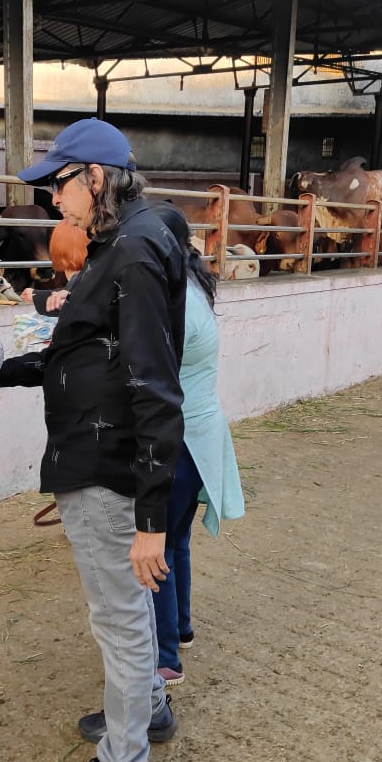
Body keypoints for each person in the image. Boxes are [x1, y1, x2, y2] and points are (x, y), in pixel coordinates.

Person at [0, 118, 186, 762]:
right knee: (125, 618)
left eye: (59, 185)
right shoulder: (131, 241)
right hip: (100, 456)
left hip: (108, 467)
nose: (52, 202)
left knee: (122, 621)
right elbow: (86, 354)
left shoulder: (130, 253)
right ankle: (149, 710)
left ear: (95, 178)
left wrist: (150, 518)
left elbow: (156, 389)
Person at [148, 204, 245, 685]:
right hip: (201, 434)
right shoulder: (194, 286)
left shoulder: (171, 302)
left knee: (156, 549)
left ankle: (165, 657)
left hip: (179, 436)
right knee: (177, 541)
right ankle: (181, 627)